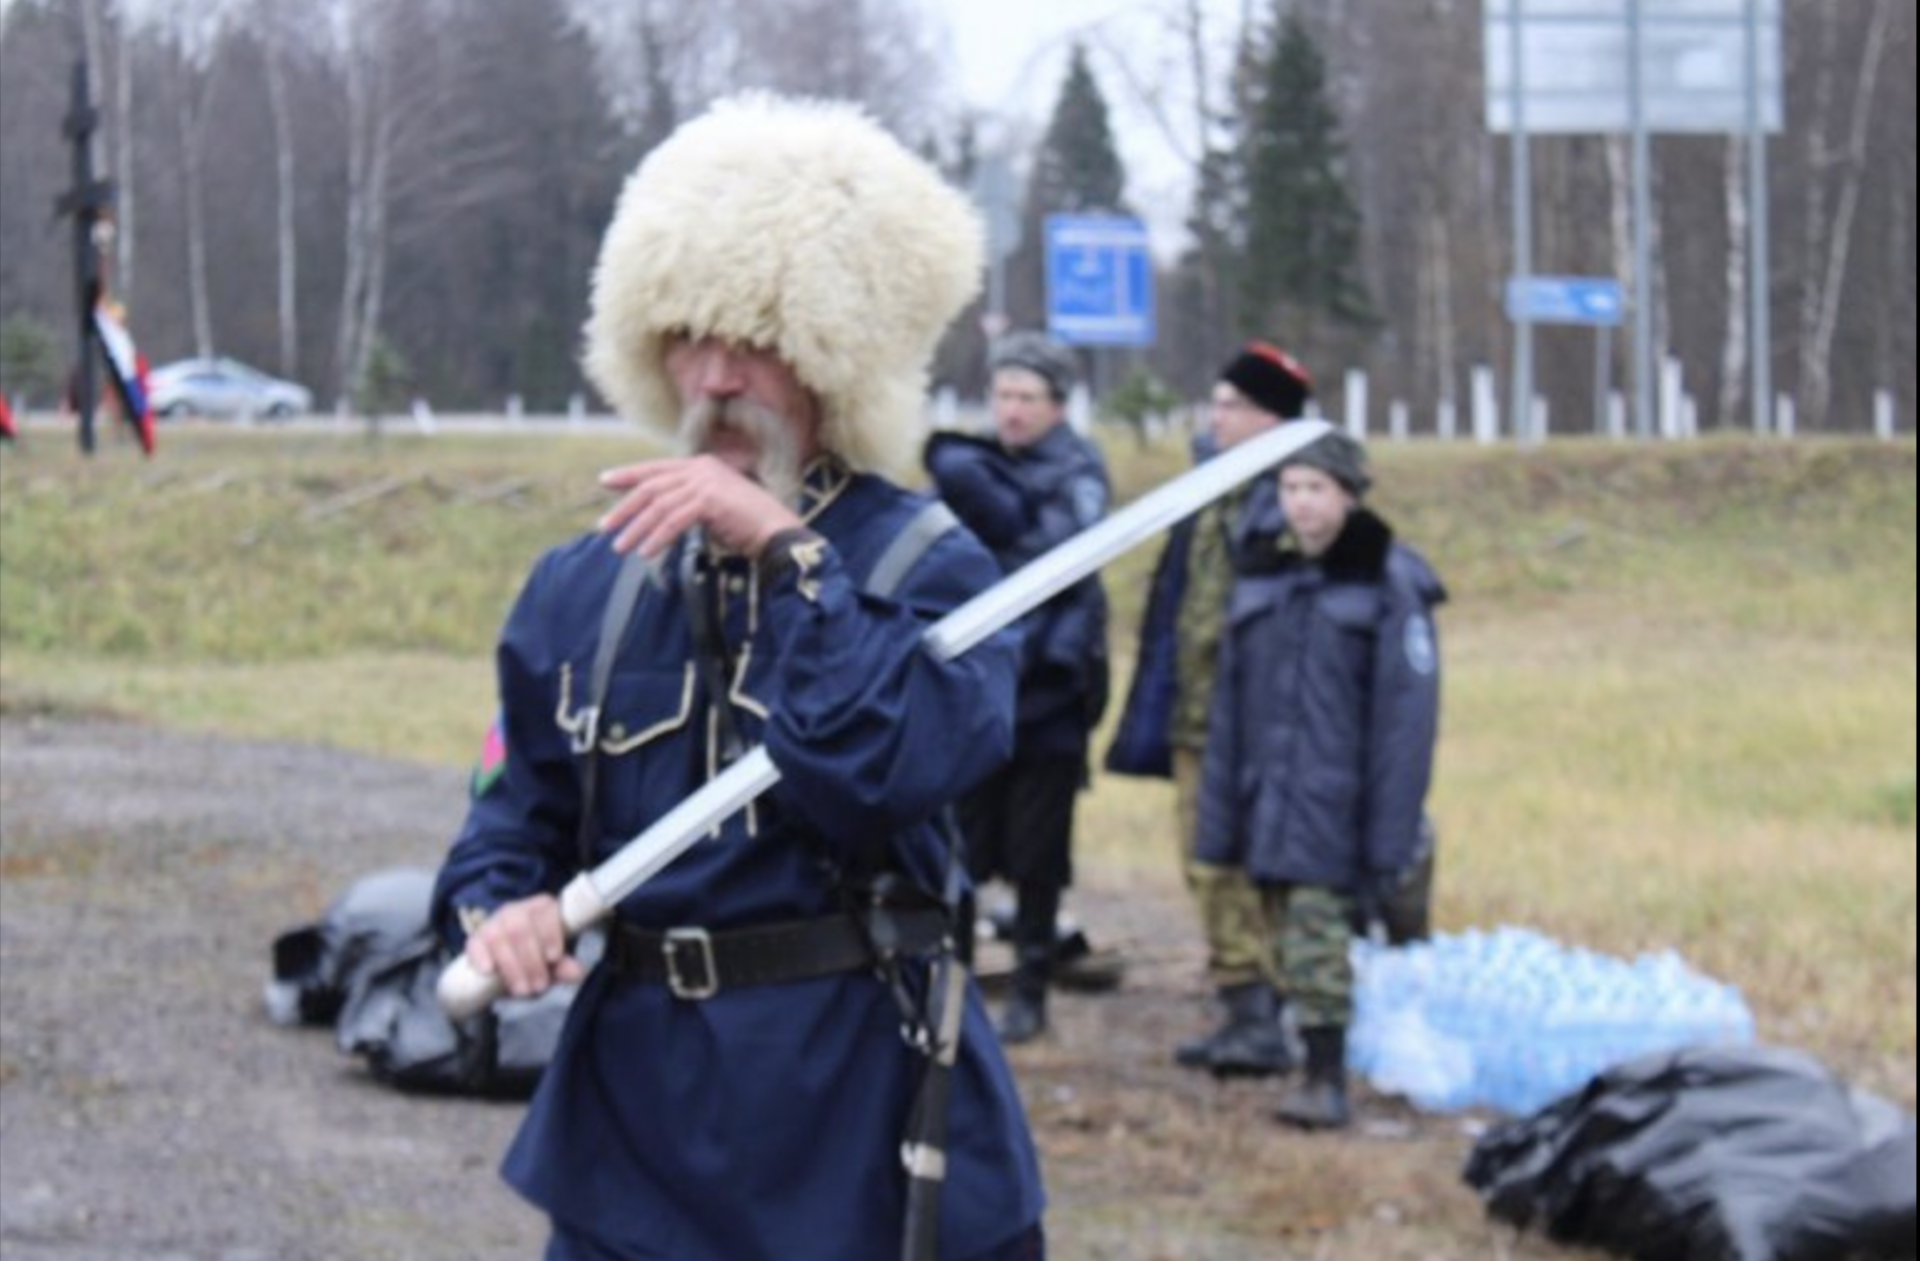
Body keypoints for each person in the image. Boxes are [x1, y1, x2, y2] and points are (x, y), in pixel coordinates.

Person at [431, 95, 1046, 1261]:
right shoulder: (583, 583)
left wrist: (786, 553)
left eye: (756, 340)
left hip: (862, 1114)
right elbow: (509, 820)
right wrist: (495, 909)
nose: (716, 378)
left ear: (831, 356)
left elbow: (888, 768)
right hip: (639, 1135)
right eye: (688, 336)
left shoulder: (927, 564)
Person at [1196, 431, 1446, 1131]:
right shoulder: (1264, 580)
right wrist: (1221, 818)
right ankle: (1306, 1055)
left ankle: (1325, 1077)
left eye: (1316, 489)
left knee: (1316, 941)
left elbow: (1406, 724)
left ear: (1349, 494)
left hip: (1339, 805)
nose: (1301, 505)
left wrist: (1387, 833)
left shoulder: (1390, 582)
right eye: (1290, 489)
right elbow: (1230, 709)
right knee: (1284, 936)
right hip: (1269, 797)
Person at [1105, 342, 1315, 1077]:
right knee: (1204, 856)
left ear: (1271, 418)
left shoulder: (1291, 492)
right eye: (1216, 403)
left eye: (1233, 406)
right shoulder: (1209, 486)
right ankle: (1244, 998)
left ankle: (1267, 1006)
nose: (1216, 416)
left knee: (1252, 857)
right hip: (1197, 709)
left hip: (1258, 717)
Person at [923, 331, 1111, 1045]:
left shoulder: (1078, 469)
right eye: (1003, 394)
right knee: (962, 841)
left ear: (1058, 405)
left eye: (1027, 397)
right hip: (975, 681)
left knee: (1038, 850)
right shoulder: (978, 461)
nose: (1012, 410)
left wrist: (1000, 525)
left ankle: (1031, 984)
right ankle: (958, 980)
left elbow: (1057, 558)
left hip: (1049, 687)